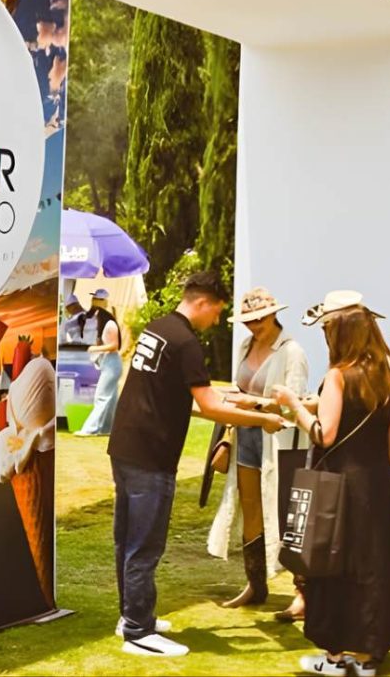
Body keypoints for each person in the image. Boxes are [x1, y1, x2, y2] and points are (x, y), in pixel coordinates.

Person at [107, 273, 287, 657]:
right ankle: (138, 632)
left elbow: (193, 396)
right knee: (144, 545)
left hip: (125, 447)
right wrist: (264, 419)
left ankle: (132, 615)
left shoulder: (159, 329)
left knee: (127, 540)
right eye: (218, 311)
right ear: (203, 302)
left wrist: (245, 402)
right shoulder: (186, 341)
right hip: (151, 456)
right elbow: (209, 406)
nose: (217, 320)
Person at [272, 290, 390, 677]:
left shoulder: (337, 376)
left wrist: (293, 405)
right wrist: (387, 480)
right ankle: (369, 652)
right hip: (378, 481)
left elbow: (324, 433)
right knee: (376, 563)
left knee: (334, 562)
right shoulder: (388, 377)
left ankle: (335, 655)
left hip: (341, 484)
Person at [207, 288, 310, 619]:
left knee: (288, 514)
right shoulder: (245, 345)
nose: (253, 325)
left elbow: (296, 407)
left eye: (259, 319)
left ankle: (302, 592)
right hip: (246, 438)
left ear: (274, 314)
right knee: (249, 506)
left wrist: (254, 403)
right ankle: (255, 584)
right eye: (248, 320)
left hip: (280, 444)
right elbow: (240, 390)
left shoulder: (292, 352)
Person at [76, 289, 122, 436]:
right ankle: (107, 429)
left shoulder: (109, 323)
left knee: (101, 397)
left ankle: (89, 429)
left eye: (97, 299)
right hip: (108, 364)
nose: (93, 301)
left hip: (112, 364)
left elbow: (114, 346)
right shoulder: (102, 322)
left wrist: (94, 348)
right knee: (111, 399)